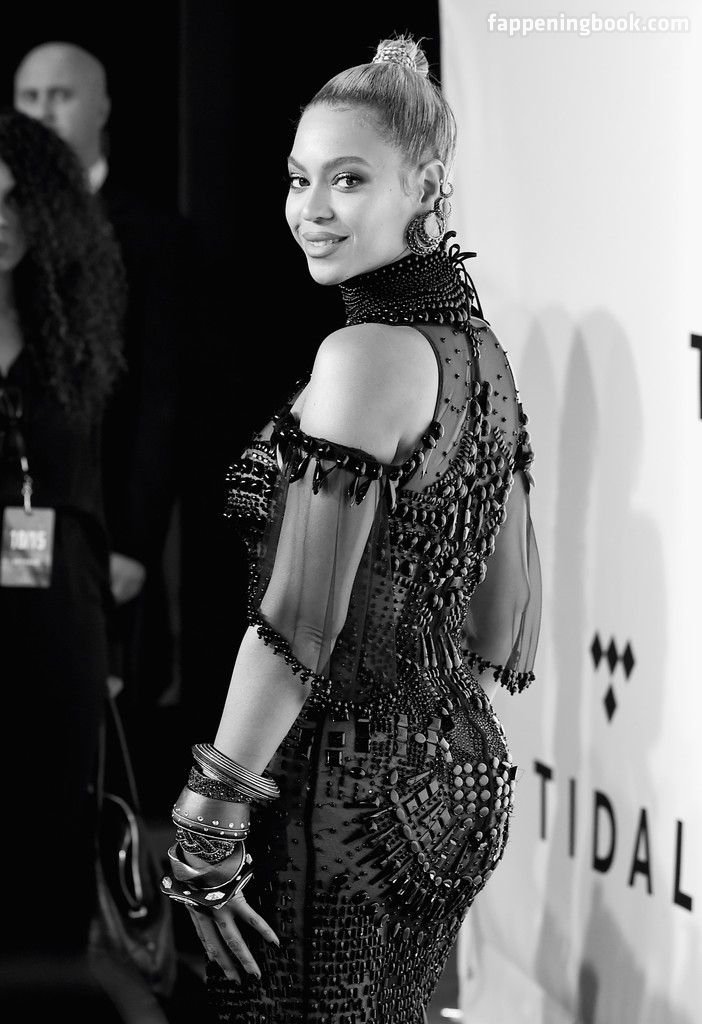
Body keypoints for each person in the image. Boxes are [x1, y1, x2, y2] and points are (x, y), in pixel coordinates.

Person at [159, 36, 542, 1023]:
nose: (312, 209)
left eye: (349, 179)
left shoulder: (365, 355)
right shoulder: (481, 355)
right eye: (300, 179)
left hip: (342, 786)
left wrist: (213, 805)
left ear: (428, 188)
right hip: (458, 778)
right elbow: (503, 620)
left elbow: (299, 621)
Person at [14, 42, 187, 740]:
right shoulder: (11, 234)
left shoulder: (150, 237)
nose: (43, 113)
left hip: (101, 523)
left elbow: (160, 401)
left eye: (60, 95)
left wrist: (134, 543)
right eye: (29, 98)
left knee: (101, 724)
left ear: (103, 107)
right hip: (22, 515)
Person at [0, 108, 124, 954]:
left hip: (57, 608)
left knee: (53, 819)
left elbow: (87, 492)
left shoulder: (71, 339)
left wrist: (108, 639)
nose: (3, 220)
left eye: (17, 199)